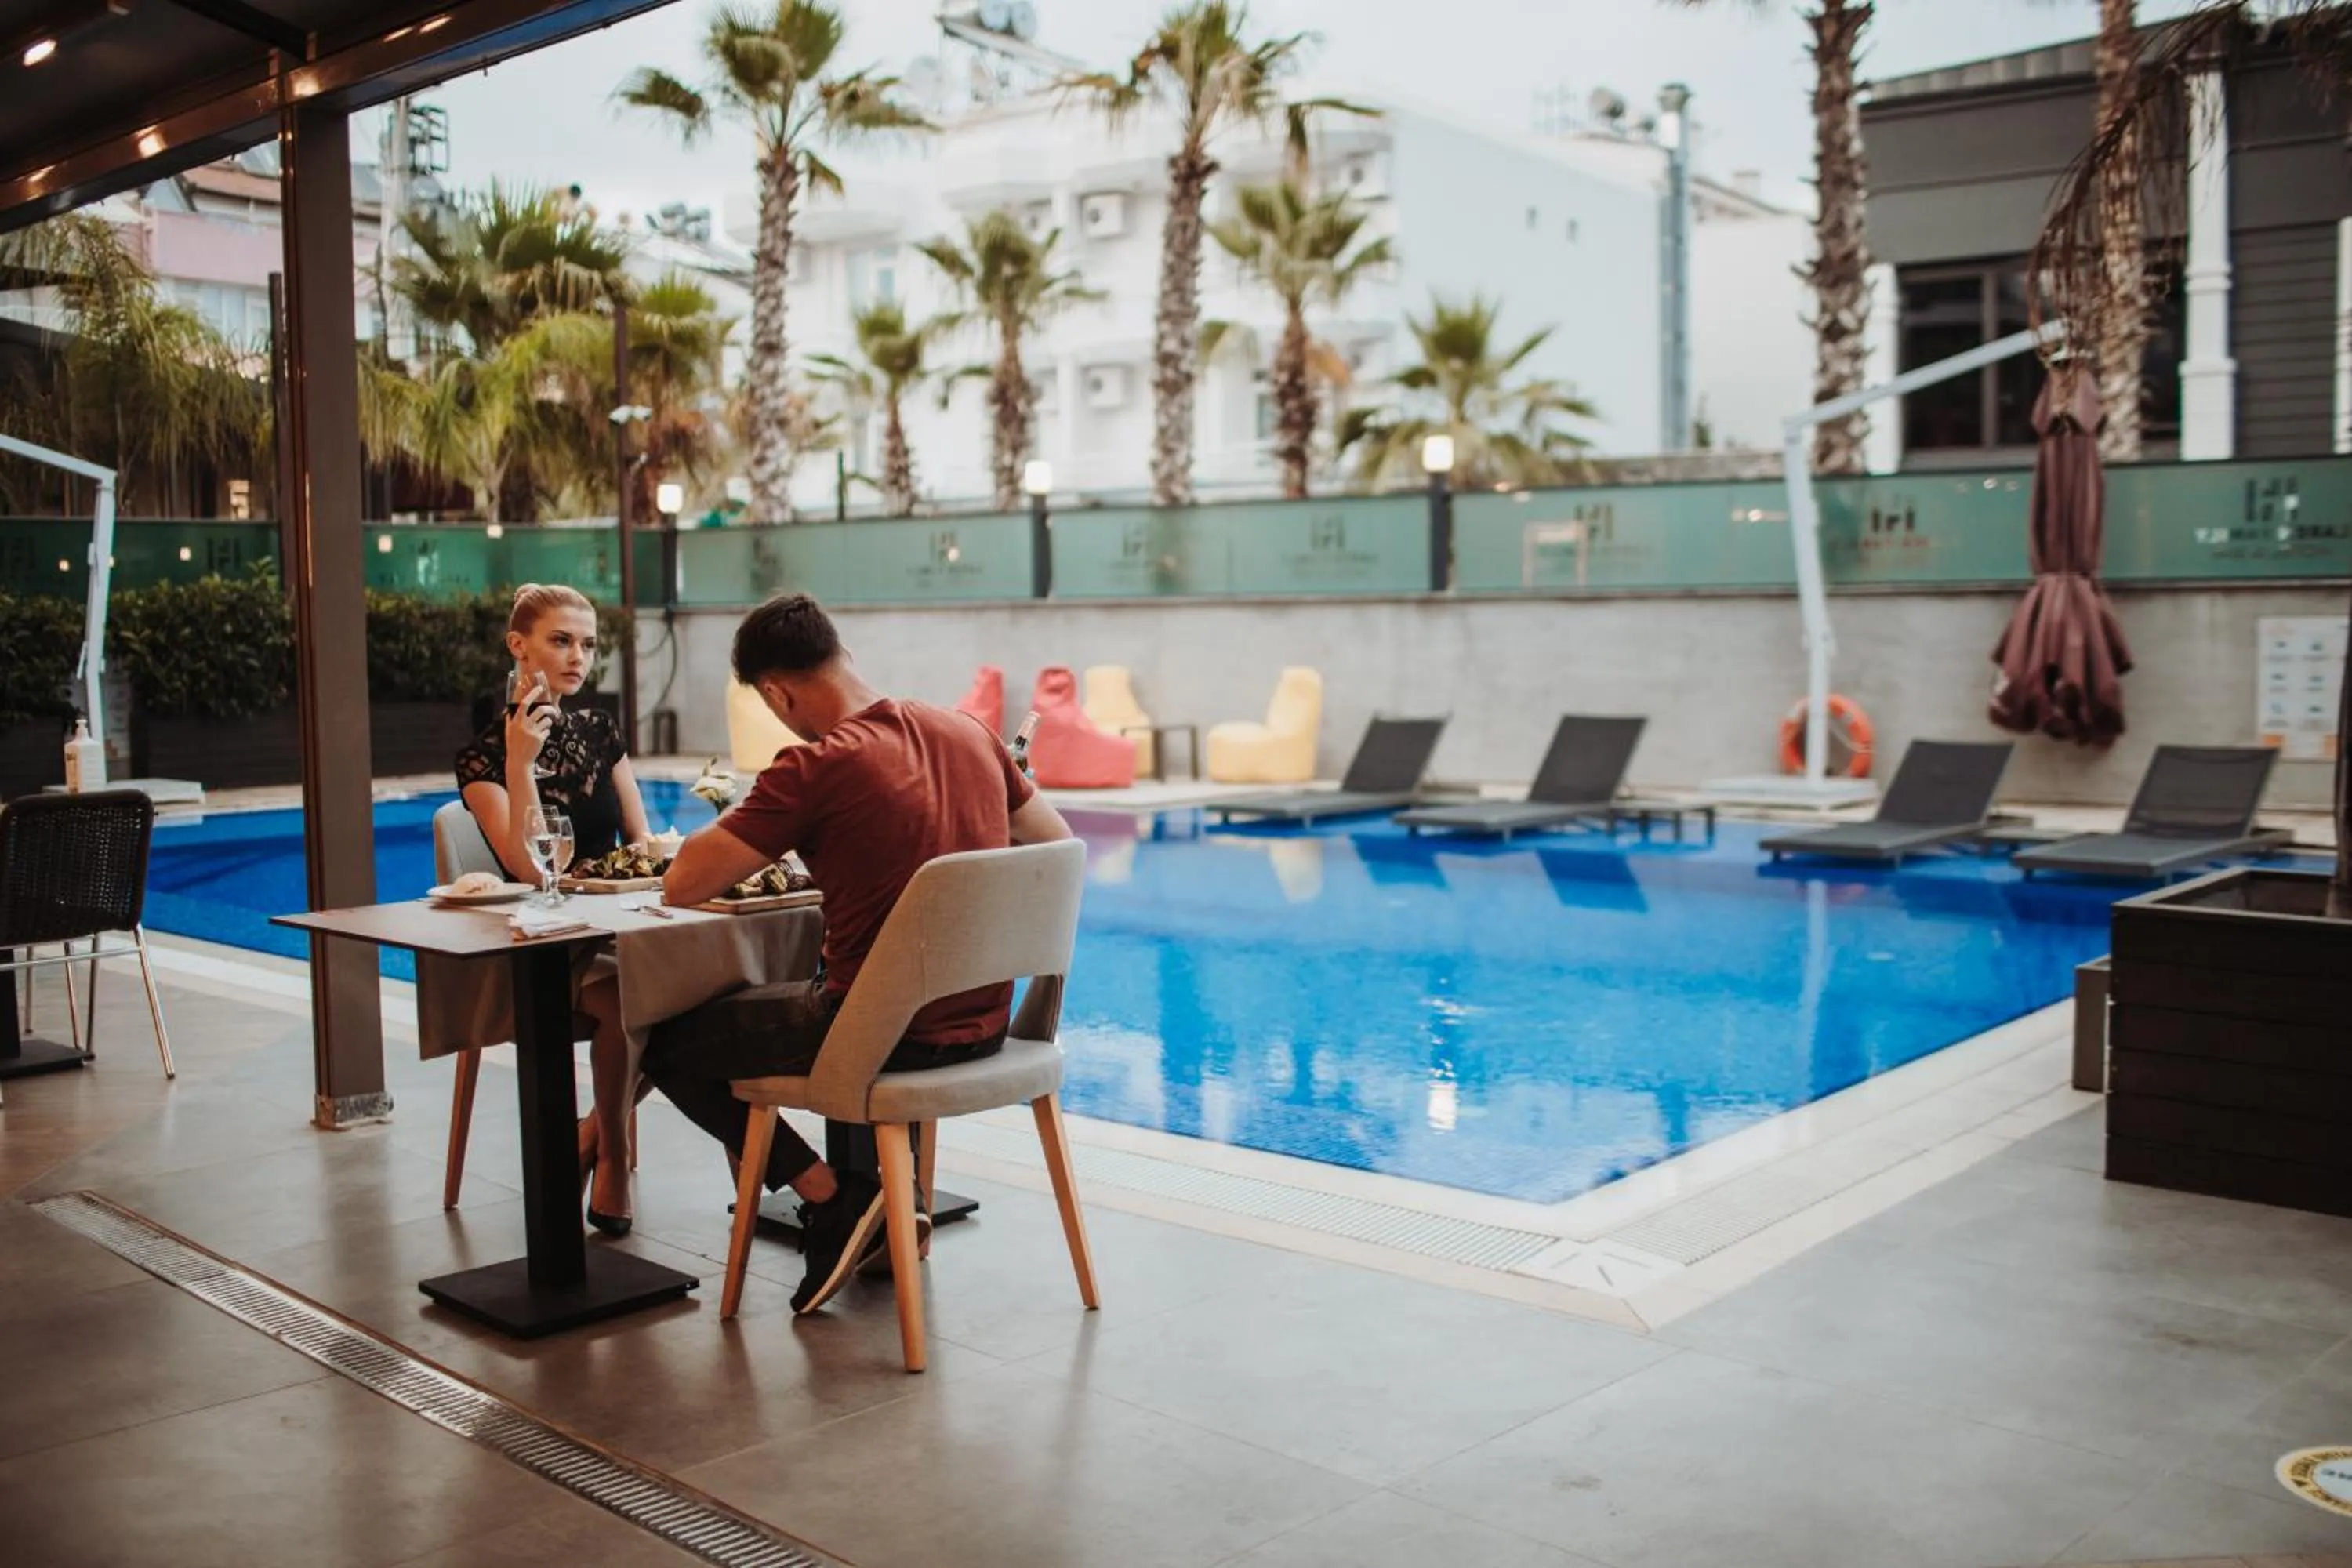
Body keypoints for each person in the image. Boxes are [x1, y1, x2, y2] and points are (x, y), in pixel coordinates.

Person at [651, 593, 1073, 1315]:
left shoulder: (816, 766)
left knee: (665, 1045)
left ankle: (834, 1197)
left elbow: (684, 883)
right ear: (841, 654)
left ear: (778, 694)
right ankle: (873, 1204)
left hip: (880, 1036)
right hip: (987, 1030)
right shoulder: (971, 734)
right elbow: (1055, 848)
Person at [456, 583, 652, 1234]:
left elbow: (640, 841)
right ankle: (617, 1160)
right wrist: (521, 762)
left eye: (588, 645)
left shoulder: (599, 730)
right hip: (541, 946)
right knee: (634, 1004)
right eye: (560, 641)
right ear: (519, 646)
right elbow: (527, 865)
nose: (578, 657)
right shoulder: (484, 756)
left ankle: (590, 1136)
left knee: (686, 994)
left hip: (612, 931)